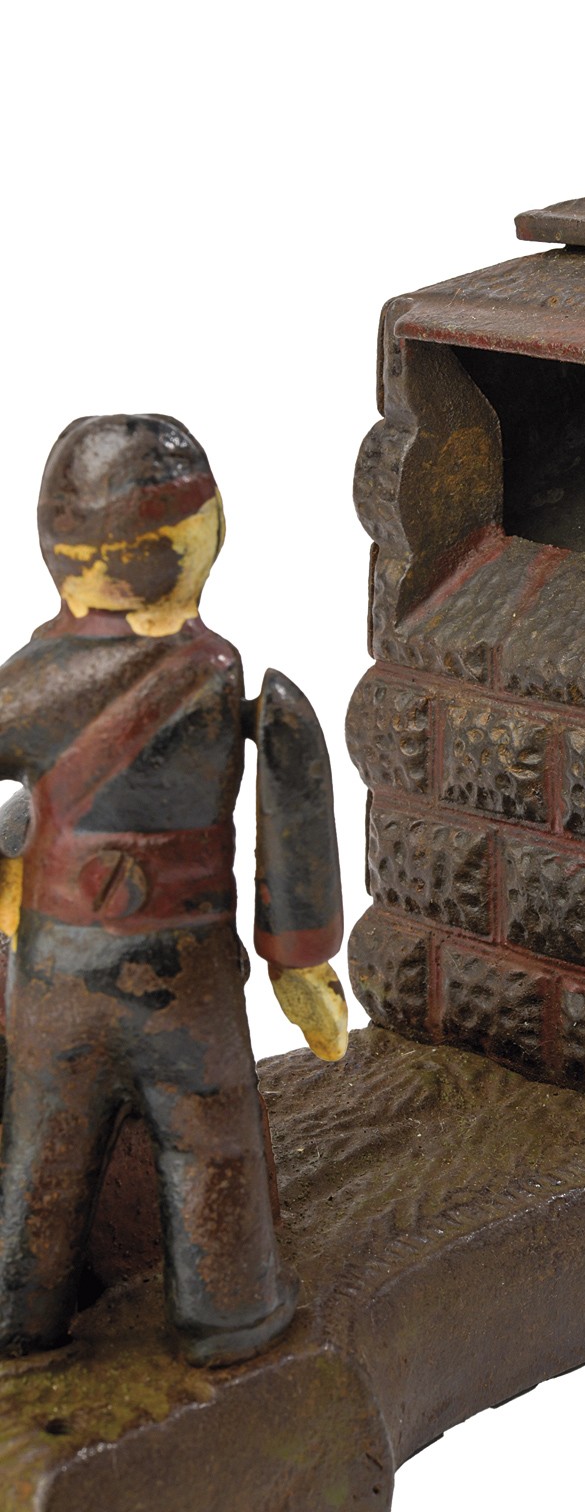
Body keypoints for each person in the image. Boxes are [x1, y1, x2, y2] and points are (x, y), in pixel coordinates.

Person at [0, 414, 347, 1366]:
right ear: (202, 538)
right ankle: (231, 1311)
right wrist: (302, 962)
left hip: (58, 966)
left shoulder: (29, 685)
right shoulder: (222, 681)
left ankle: (19, 1315)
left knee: (42, 1144)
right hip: (188, 970)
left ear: (62, 556)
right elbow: (294, 811)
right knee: (211, 1137)